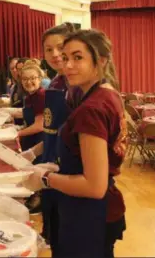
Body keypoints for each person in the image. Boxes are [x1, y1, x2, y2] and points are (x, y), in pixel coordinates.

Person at [19, 29, 127, 258]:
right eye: (66, 58)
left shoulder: (92, 108)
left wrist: (46, 179)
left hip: (89, 215)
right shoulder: (107, 94)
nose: (67, 65)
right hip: (94, 210)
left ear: (101, 60)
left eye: (78, 58)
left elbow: (93, 186)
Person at [17, 23, 78, 247]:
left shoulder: (78, 87)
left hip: (70, 177)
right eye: (48, 49)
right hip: (51, 170)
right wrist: (34, 152)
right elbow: (52, 130)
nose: (54, 54)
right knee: (53, 234)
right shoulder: (55, 83)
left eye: (60, 47)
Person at [11, 61, 45, 162]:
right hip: (30, 141)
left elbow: (39, 125)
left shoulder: (41, 96)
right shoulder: (29, 97)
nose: (28, 82)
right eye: (25, 79)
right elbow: (30, 119)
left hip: (39, 144)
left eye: (32, 78)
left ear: (39, 79)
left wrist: (18, 133)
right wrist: (18, 128)